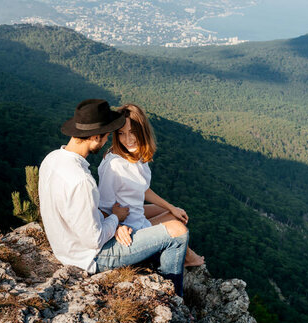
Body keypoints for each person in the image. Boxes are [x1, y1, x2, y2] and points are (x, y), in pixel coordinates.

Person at [38, 99, 190, 296]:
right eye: (107, 135)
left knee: (169, 217)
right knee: (178, 232)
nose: (109, 140)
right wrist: (116, 219)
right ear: (95, 137)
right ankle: (174, 298)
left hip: (66, 247)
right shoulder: (82, 180)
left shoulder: (52, 159)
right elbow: (95, 239)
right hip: (90, 257)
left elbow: (80, 216)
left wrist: (114, 220)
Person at [98, 103, 205, 267]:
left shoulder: (136, 155)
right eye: (121, 134)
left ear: (142, 131)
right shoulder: (115, 165)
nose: (128, 139)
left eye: (133, 132)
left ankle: (186, 255)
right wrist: (118, 227)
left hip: (133, 215)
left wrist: (171, 206)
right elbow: (101, 207)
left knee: (175, 211)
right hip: (129, 228)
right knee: (177, 224)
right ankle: (188, 259)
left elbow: (143, 189)